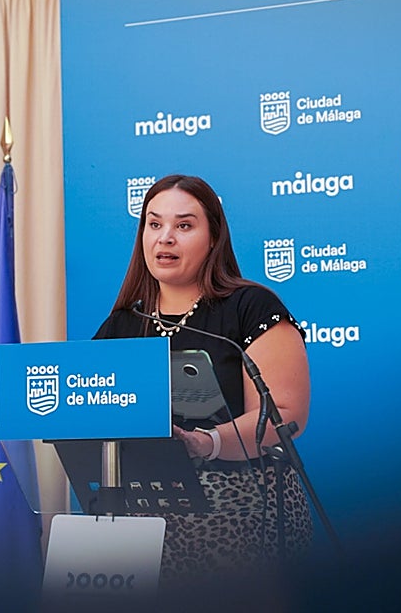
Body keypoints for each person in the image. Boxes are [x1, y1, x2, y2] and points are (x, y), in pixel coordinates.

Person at [94, 174, 313, 582]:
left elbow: (283, 414)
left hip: (244, 512)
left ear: (213, 237)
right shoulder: (123, 323)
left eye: (184, 225)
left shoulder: (250, 307)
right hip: (143, 520)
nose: (165, 238)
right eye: (154, 224)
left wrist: (206, 442)